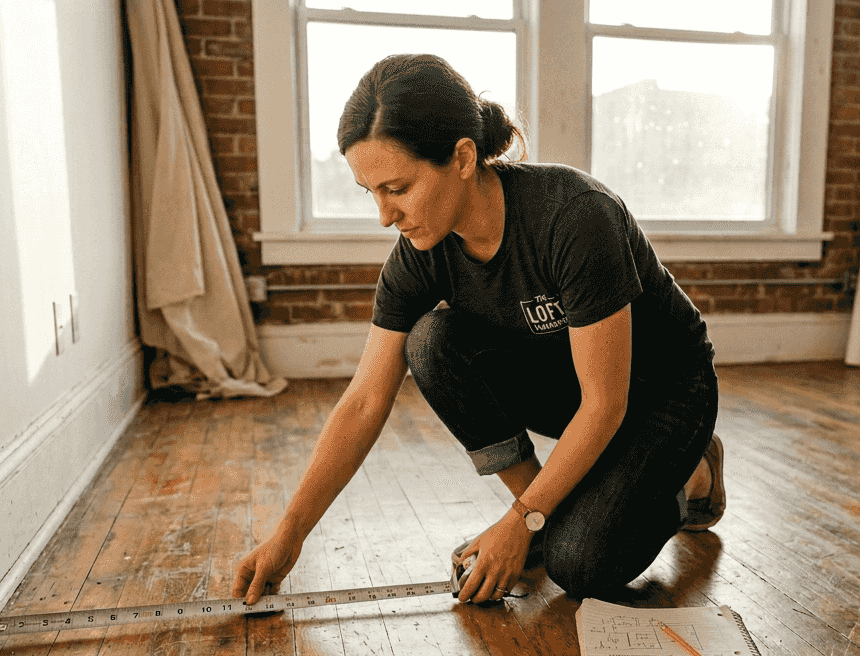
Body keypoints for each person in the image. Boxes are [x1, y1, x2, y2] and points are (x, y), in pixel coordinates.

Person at [232, 53, 723, 606]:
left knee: (579, 565)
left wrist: (519, 522)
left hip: (663, 394)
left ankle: (693, 476)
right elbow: (365, 400)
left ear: (463, 157)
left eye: (397, 187)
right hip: (576, 385)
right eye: (369, 192)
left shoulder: (576, 216)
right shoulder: (419, 252)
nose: (384, 215)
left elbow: (606, 404)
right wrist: (288, 536)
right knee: (431, 342)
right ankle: (545, 512)